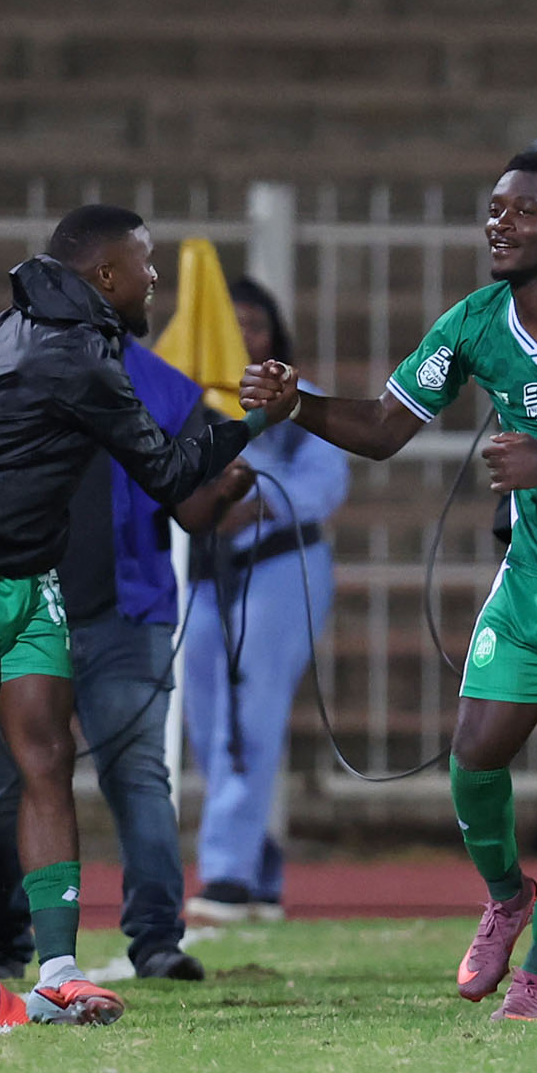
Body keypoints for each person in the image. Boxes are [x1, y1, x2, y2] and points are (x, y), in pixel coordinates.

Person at [241, 149, 537, 1021]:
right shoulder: (476, 322)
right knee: (474, 756)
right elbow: (385, 428)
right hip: (534, 570)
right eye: (494, 209)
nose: (500, 223)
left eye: (523, 211)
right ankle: (506, 896)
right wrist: (295, 403)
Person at [0, 204, 289, 1026]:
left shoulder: (11, 325)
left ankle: (59, 970)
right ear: (105, 275)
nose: (154, 277)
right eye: (145, 263)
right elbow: (171, 474)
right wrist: (256, 422)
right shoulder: (79, 357)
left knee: (47, 758)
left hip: (30, 573)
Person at [0, 336, 256, 977]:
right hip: (19, 609)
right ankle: (0, 938)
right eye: (141, 279)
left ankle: (157, 939)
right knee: (8, 786)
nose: (150, 288)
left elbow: (192, 510)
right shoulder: (3, 359)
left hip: (124, 616)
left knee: (137, 778)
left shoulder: (163, 385)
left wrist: (225, 489)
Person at [183, 276, 348, 924]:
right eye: (231, 323)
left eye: (254, 324)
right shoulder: (183, 399)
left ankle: (226, 873)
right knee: (206, 723)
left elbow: (327, 480)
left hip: (280, 564)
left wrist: (258, 504)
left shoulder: (298, 399)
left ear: (275, 333)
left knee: (251, 713)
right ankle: (257, 861)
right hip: (203, 573)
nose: (244, 336)